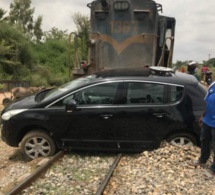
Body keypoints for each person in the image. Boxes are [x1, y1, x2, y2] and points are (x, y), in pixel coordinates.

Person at [189, 81, 215, 179]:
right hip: (207, 120)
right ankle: (203, 159)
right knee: (204, 140)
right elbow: (207, 102)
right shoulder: (213, 85)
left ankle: (213, 169)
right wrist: (203, 115)